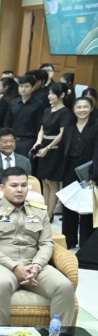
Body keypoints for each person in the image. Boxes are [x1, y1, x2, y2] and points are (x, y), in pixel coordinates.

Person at [0, 167, 76, 326]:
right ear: (2, 188)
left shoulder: (39, 211)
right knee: (1, 284)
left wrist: (37, 265)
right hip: (3, 265)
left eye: (24, 185)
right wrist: (14, 267)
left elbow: (47, 243)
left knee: (64, 286)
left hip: (34, 265)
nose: (20, 190)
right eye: (14, 185)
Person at [31, 83, 75, 217]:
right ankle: (43, 211)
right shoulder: (47, 110)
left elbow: (62, 134)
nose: (49, 96)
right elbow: (42, 129)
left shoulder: (65, 112)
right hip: (43, 147)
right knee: (44, 182)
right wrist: (38, 142)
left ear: (62, 95)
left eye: (52, 94)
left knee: (52, 183)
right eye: (49, 93)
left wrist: (48, 147)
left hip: (55, 150)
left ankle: (49, 214)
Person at [59, 96, 98, 248]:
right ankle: (69, 240)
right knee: (69, 205)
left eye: (85, 107)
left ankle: (86, 243)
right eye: (79, 107)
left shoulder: (96, 126)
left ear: (91, 108)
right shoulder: (69, 128)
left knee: (88, 208)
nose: (82, 110)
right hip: (70, 170)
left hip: (90, 171)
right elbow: (62, 151)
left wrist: (95, 175)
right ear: (73, 110)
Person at [4, 75, 45, 157]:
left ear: (33, 88)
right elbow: (7, 122)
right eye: (21, 86)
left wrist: (37, 142)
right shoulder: (13, 103)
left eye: (26, 86)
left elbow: (39, 125)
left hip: (29, 141)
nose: (23, 89)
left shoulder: (38, 104)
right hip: (12, 139)